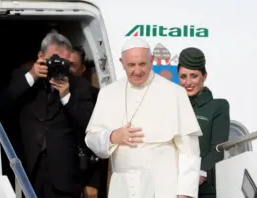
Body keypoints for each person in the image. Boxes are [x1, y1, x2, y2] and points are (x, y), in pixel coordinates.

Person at [84, 37, 202, 198]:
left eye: (143, 64)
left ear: (152, 60)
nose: (137, 71)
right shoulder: (108, 93)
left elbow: (189, 149)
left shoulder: (174, 92)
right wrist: (112, 136)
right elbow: (91, 138)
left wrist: (185, 193)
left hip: (164, 188)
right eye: (131, 65)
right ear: (122, 63)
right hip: (123, 188)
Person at [0, 32, 94, 198]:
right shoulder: (23, 78)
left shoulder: (80, 86)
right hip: (27, 171)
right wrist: (32, 76)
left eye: (65, 62)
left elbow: (89, 125)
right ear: (40, 56)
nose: (59, 66)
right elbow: (3, 106)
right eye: (54, 60)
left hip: (64, 178)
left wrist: (66, 96)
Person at [177, 47, 230, 198]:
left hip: (202, 188)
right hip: (170, 186)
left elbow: (218, 150)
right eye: (183, 76)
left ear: (204, 76)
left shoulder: (218, 106)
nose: (188, 82)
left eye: (194, 76)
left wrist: (193, 178)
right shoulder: (172, 105)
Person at [69, 47, 108, 198]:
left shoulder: (96, 97)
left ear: (82, 69)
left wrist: (93, 182)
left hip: (86, 170)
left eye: (72, 65)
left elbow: (100, 138)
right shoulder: (46, 95)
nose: (67, 70)